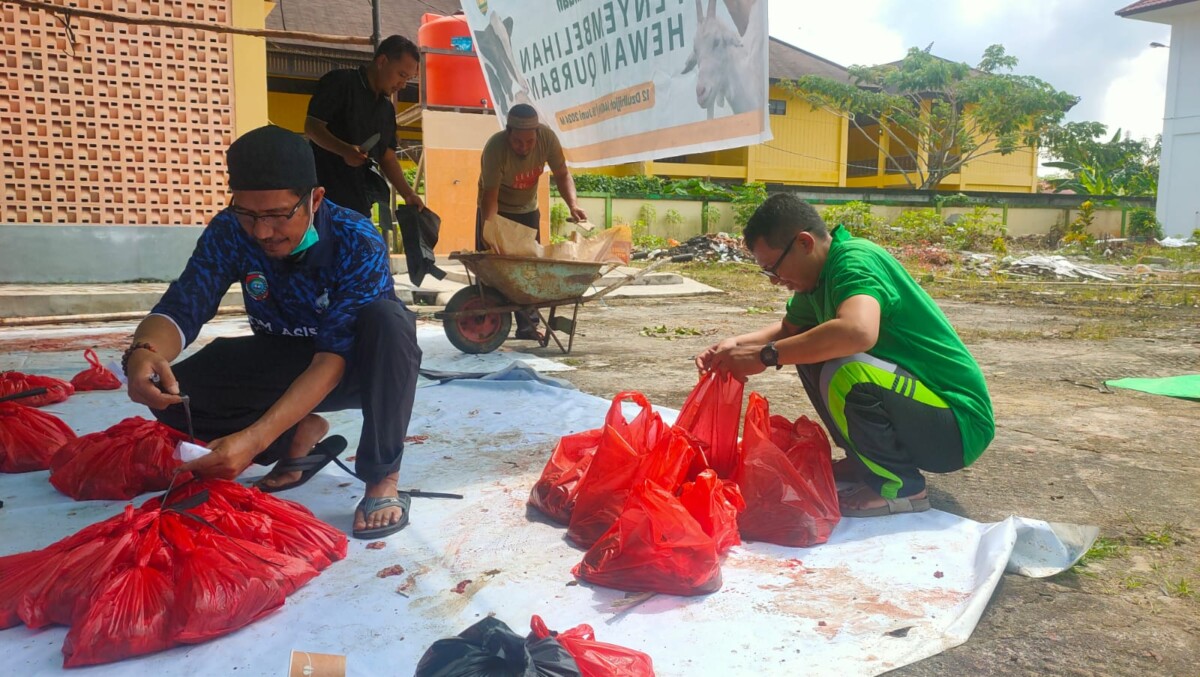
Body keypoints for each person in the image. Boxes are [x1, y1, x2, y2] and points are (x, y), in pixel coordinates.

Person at [123, 125, 422, 539]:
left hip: (352, 367)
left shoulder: (357, 241)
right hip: (281, 360)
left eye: (278, 215)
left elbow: (332, 357)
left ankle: (382, 477)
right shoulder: (229, 231)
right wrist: (144, 350)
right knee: (173, 389)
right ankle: (299, 436)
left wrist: (255, 438)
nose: (262, 232)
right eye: (248, 213)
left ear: (314, 199)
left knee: (390, 323)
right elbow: (183, 304)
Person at [696, 194, 994, 517]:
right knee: (809, 351)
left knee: (844, 369)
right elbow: (788, 332)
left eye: (774, 269)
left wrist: (767, 356)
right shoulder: (816, 280)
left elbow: (858, 331)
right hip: (925, 412)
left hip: (957, 425)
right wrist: (735, 346)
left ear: (804, 243)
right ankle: (868, 462)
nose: (776, 281)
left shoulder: (854, 261)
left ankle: (902, 487)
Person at [476, 104, 586, 340]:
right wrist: (491, 230)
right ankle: (486, 325)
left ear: (537, 133)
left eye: (529, 141)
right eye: (518, 142)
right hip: (496, 210)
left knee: (528, 272)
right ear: (508, 133)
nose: (524, 147)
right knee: (491, 269)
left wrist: (573, 205)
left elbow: (562, 174)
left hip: (527, 210)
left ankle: (527, 327)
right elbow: (490, 197)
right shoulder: (495, 149)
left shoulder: (547, 139)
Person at [305, 34, 424, 218]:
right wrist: (344, 150)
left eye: (408, 78)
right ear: (382, 61)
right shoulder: (341, 82)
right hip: (322, 200)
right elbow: (312, 127)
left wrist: (408, 194)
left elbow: (388, 158)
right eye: (401, 75)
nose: (402, 84)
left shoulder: (386, 110)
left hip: (360, 203)